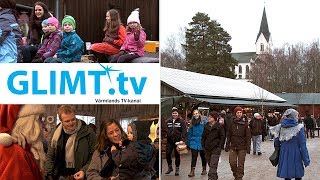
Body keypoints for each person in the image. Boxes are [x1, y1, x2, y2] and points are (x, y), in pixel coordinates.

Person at [46, 105, 96, 180]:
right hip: (60, 174)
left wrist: (84, 170)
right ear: (61, 121)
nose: (71, 123)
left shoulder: (88, 132)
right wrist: (49, 174)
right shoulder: (55, 133)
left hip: (80, 174)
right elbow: (50, 155)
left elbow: (94, 155)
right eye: (67, 121)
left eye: (73, 119)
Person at [0, 104, 46, 179]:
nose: (44, 125)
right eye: (40, 119)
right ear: (27, 123)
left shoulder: (22, 149)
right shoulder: (15, 153)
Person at [270, 109, 310, 180]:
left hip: (284, 153)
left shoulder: (280, 127)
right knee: (297, 174)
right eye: (297, 116)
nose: (298, 117)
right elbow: (303, 145)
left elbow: (276, 142)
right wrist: (306, 160)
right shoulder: (299, 128)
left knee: (287, 174)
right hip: (296, 153)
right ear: (293, 117)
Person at [225, 106, 251, 180]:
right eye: (237, 112)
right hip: (233, 146)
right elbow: (229, 135)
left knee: (240, 164)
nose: (239, 114)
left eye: (240, 112)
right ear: (235, 113)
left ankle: (239, 177)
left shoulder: (245, 124)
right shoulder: (231, 123)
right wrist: (227, 145)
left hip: (242, 147)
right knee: (232, 162)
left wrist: (248, 147)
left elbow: (248, 136)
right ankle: (236, 174)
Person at [201, 111, 225, 180]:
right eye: (208, 116)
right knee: (211, 165)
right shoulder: (206, 126)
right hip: (207, 149)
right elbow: (203, 137)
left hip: (216, 148)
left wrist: (219, 147)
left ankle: (211, 178)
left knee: (213, 165)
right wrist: (203, 146)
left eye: (210, 117)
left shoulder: (219, 126)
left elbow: (222, 137)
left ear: (214, 118)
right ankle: (214, 177)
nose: (209, 118)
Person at [165, 107, 187, 176]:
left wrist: (182, 139)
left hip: (178, 142)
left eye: (176, 113)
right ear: (171, 114)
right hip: (169, 141)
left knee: (177, 155)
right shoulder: (168, 121)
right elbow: (165, 130)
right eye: (173, 113)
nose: (174, 114)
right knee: (168, 154)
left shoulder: (181, 121)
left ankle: (177, 169)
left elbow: (184, 131)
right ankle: (170, 167)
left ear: (178, 113)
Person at [187, 109, 208, 177]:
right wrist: (188, 143)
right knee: (194, 156)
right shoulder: (192, 122)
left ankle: (204, 169)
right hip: (194, 141)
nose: (195, 115)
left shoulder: (204, 121)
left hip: (202, 140)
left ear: (199, 113)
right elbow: (189, 133)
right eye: (194, 114)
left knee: (203, 156)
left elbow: (207, 130)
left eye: (196, 113)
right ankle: (192, 171)